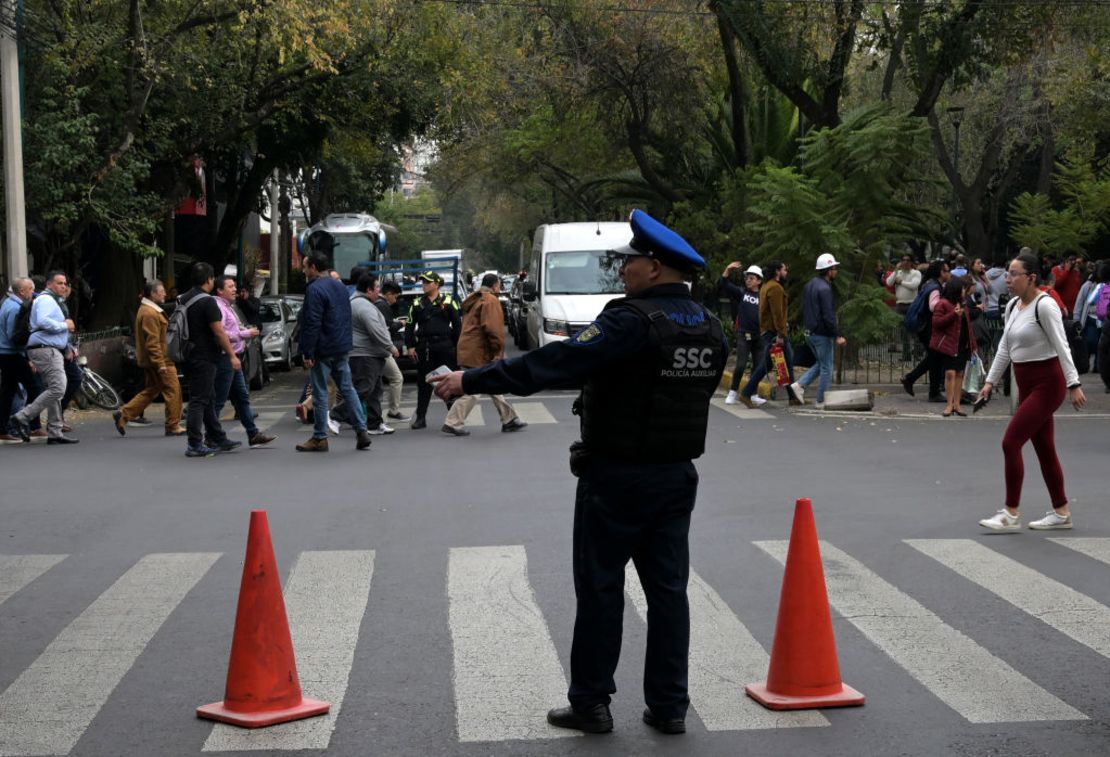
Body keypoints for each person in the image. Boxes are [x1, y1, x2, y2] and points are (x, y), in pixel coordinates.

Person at [431, 209, 726, 736]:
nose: (624, 271)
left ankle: (591, 703)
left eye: (630, 262)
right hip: (676, 475)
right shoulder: (708, 325)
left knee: (601, 589)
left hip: (616, 478)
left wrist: (470, 379)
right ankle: (670, 706)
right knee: (668, 592)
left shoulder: (629, 321)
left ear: (654, 268)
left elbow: (553, 364)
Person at [976, 252, 1085, 531]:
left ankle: (1011, 513)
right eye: (1008, 273)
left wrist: (1073, 384)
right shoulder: (1013, 305)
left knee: (1010, 442)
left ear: (1031, 277)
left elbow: (1062, 346)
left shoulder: (1045, 306)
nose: (1008, 279)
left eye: (1014, 274)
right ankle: (1061, 513)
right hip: (1026, 385)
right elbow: (1004, 347)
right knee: (1045, 450)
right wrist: (989, 382)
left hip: (1047, 384)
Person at [296, 251, 373, 452]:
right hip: (342, 345)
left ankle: (320, 437)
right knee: (347, 388)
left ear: (313, 268)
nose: (303, 270)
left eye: (305, 266)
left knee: (320, 391)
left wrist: (307, 352)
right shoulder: (339, 287)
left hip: (323, 347)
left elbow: (312, 322)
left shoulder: (314, 289)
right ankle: (361, 430)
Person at [442, 273, 527, 436]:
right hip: (478, 351)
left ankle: (509, 419)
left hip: (468, 348)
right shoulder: (490, 300)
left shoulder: (475, 298)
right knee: (474, 388)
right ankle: (452, 422)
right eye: (499, 285)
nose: (500, 288)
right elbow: (493, 329)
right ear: (495, 285)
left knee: (494, 382)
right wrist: (497, 351)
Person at [179, 263, 242, 457]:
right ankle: (194, 443)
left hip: (187, 355)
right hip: (204, 356)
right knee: (199, 400)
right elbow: (219, 331)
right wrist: (232, 355)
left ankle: (217, 436)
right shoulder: (207, 302)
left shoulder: (183, 298)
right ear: (209, 280)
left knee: (209, 396)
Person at [9, 271, 78, 444]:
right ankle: (21, 416)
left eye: (65, 283)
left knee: (53, 389)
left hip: (47, 348)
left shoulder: (50, 300)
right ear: (49, 284)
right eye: (59, 283)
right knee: (58, 388)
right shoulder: (46, 300)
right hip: (46, 349)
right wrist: (65, 325)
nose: (63, 286)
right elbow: (42, 321)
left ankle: (55, 432)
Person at [112, 279, 184, 437]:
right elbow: (153, 342)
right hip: (161, 360)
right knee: (173, 390)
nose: (165, 293)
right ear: (152, 294)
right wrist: (160, 363)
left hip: (155, 360)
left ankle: (123, 414)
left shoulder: (148, 309)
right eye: (161, 291)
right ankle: (173, 425)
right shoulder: (150, 313)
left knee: (152, 390)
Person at [212, 276, 275, 448]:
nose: (234, 290)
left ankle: (253, 434)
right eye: (230, 286)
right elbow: (221, 334)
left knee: (242, 398)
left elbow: (233, 328)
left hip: (235, 357)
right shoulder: (218, 307)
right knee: (219, 400)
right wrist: (244, 334)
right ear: (219, 290)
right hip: (226, 358)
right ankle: (210, 436)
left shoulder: (229, 307)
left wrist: (244, 330)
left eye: (234, 286)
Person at [405, 270, 461, 429]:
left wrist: (458, 347)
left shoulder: (449, 301)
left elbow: (458, 326)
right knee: (424, 384)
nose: (424, 285)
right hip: (425, 348)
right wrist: (410, 346)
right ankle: (421, 418)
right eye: (422, 282)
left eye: (427, 282)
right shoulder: (417, 303)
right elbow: (409, 326)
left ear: (437, 284)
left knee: (451, 383)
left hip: (445, 347)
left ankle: (454, 418)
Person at [737, 261, 798, 407]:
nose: (786, 272)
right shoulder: (775, 288)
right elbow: (777, 313)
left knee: (784, 365)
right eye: (784, 269)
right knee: (770, 365)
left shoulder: (766, 286)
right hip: (775, 333)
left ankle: (794, 397)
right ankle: (746, 393)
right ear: (777, 272)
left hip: (770, 331)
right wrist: (781, 334)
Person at [791, 254, 847, 409]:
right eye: (834, 268)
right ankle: (821, 400)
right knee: (827, 368)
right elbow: (828, 315)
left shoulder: (810, 285)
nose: (836, 271)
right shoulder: (825, 288)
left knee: (821, 363)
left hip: (810, 332)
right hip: (821, 334)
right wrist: (838, 335)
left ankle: (799, 385)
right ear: (828, 271)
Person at [350, 273, 395, 435]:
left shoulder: (366, 303)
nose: (379, 291)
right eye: (377, 288)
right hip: (364, 355)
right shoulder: (363, 305)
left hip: (372, 354)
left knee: (375, 392)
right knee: (364, 389)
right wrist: (390, 347)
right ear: (368, 290)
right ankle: (335, 415)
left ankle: (375, 423)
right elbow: (375, 330)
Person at [901, 260, 950, 401]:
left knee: (934, 358)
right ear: (941, 273)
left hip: (924, 327)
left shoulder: (930, 284)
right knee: (936, 357)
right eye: (946, 270)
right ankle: (932, 392)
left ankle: (911, 380)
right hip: (928, 328)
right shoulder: (935, 288)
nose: (949, 273)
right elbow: (933, 306)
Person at [0, 277, 41, 443]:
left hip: (7, 354)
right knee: (35, 388)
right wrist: (28, 355)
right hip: (12, 354)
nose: (33, 292)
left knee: (7, 392)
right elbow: (14, 335)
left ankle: (3, 428)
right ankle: (33, 425)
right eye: (31, 289)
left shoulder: (8, 304)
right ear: (22, 291)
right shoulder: (15, 309)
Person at [720, 264, 765, 406]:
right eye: (747, 278)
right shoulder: (742, 293)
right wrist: (727, 269)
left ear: (759, 281)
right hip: (743, 335)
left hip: (759, 336)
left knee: (758, 367)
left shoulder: (763, 296)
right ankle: (732, 392)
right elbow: (725, 284)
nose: (748, 281)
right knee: (740, 365)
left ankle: (754, 394)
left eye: (752, 278)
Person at [930, 277, 975, 417]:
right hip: (949, 343)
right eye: (962, 288)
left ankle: (957, 404)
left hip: (962, 343)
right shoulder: (942, 304)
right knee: (950, 373)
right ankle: (949, 404)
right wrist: (953, 315)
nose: (964, 291)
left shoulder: (963, 304)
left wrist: (972, 344)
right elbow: (937, 323)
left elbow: (968, 325)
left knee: (960, 373)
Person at [376, 281, 407, 422]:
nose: (395, 300)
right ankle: (393, 411)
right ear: (388, 294)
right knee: (396, 377)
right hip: (381, 349)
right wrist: (400, 323)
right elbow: (387, 329)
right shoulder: (383, 305)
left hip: (372, 349)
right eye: (395, 297)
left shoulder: (374, 303)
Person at [886, 252, 922, 357]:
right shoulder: (899, 272)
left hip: (912, 304)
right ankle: (906, 354)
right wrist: (896, 270)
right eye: (903, 260)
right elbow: (889, 282)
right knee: (903, 331)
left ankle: (917, 351)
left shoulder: (915, 273)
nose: (905, 262)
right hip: (900, 304)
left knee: (914, 329)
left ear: (911, 262)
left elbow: (914, 285)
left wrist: (901, 282)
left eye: (908, 260)